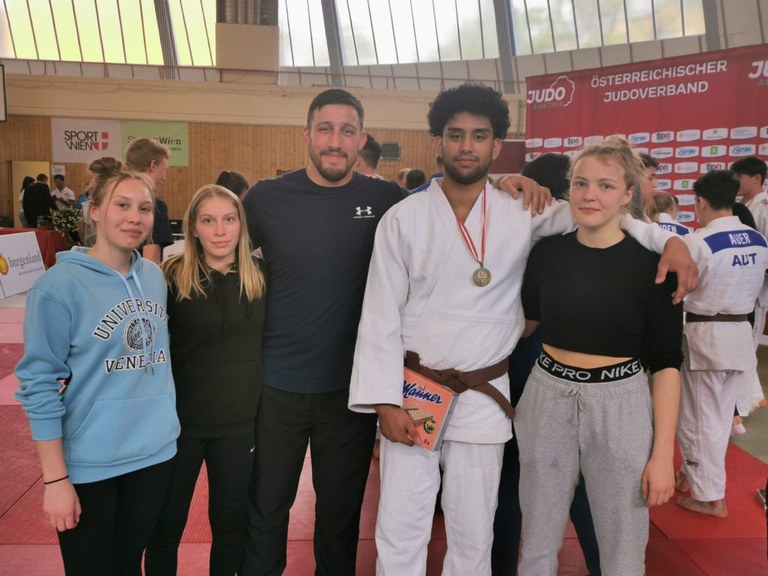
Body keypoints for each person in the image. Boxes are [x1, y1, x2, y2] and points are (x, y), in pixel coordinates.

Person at [348, 89, 691, 576]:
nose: (467, 145)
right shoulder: (403, 218)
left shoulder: (522, 210)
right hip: (414, 391)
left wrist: (670, 243)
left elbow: (598, 212)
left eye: (480, 136)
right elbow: (378, 315)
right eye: (456, 135)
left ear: (496, 146)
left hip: (484, 393)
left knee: (475, 530)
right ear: (437, 144)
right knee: (401, 524)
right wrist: (383, 402)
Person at [516, 136, 683, 575]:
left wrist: (663, 454)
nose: (590, 195)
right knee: (536, 537)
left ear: (629, 194)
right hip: (546, 395)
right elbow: (523, 326)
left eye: (606, 186)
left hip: (622, 402)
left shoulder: (656, 268)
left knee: (623, 542)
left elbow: (667, 363)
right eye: (581, 183)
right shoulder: (545, 254)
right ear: (568, 188)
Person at [15, 157, 180, 574]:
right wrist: (54, 481)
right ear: (94, 210)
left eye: (145, 208)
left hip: (154, 457)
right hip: (91, 464)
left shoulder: (156, 278)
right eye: (121, 206)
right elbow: (38, 386)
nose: (134, 218)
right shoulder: (57, 287)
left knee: (127, 566)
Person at [145, 185, 266, 575]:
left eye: (229, 219)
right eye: (208, 220)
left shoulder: (261, 279)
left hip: (238, 426)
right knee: (165, 528)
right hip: (178, 426)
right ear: (192, 228)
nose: (220, 230)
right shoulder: (169, 278)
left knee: (230, 530)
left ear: (241, 225)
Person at [492, 151, 601, 576]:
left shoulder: (529, 238)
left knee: (510, 473)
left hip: (524, 359)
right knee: (577, 479)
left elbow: (527, 320)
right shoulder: (591, 238)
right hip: (573, 366)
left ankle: (501, 566)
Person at [674, 170, 768, 518]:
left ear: (700, 201)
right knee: (716, 416)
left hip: (706, 337)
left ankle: (710, 497)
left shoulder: (699, 242)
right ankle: (693, 474)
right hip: (741, 336)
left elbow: (683, 289)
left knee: (700, 420)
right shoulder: (758, 240)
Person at [126, 137, 175, 264]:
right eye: (164, 171)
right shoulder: (155, 206)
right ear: (153, 166)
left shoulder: (109, 201)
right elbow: (150, 263)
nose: (164, 178)